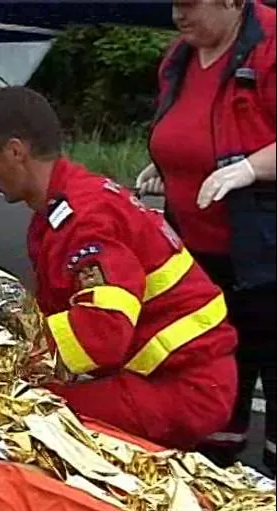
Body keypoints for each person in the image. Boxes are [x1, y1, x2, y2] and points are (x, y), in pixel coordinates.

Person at [0, 86, 239, 451]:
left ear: (16, 151)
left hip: (183, 385)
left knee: (26, 413)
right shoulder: (65, 208)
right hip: (175, 374)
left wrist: (8, 358)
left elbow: (103, 333)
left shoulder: (85, 220)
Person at [136, 0, 275, 473]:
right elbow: (189, 125)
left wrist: (250, 168)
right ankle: (216, 471)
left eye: (191, 3)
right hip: (201, 249)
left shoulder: (271, 45)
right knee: (217, 365)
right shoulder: (181, 56)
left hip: (265, 250)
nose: (179, 14)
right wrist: (168, 161)